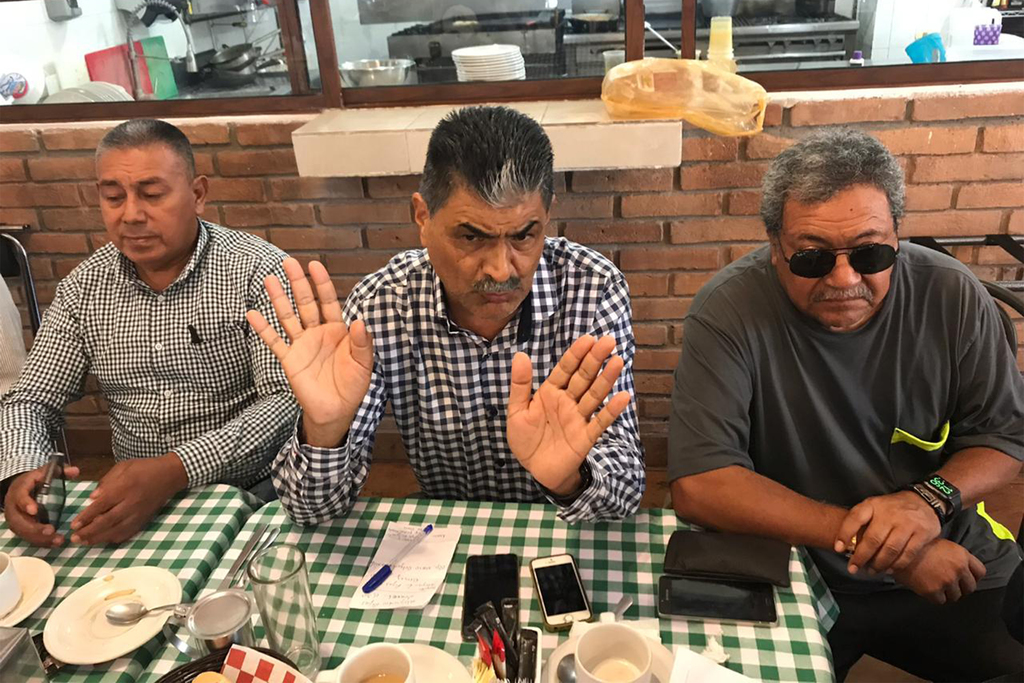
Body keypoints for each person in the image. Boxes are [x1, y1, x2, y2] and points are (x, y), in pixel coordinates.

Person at [667, 128, 1023, 681]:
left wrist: (926, 502)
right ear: (775, 245)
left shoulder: (953, 295)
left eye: (870, 253)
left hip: (948, 551)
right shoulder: (727, 311)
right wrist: (889, 548)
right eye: (812, 258)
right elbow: (701, 484)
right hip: (795, 566)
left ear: (898, 235)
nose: (844, 278)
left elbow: (1002, 440)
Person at [248, 106, 645, 525]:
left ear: (547, 216)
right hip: (443, 531)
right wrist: (325, 431)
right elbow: (310, 511)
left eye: (524, 236)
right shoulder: (382, 305)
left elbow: (626, 492)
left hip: (562, 525)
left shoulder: (592, 288)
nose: (501, 270)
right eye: (471, 237)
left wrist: (570, 480)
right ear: (422, 217)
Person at [0, 119, 298, 547]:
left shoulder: (258, 272)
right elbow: (32, 398)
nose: (131, 214)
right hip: (133, 502)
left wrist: (177, 469)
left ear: (197, 194)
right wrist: (23, 467)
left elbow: (286, 401)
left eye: (152, 194)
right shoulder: (84, 288)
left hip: (254, 491)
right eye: (113, 197)